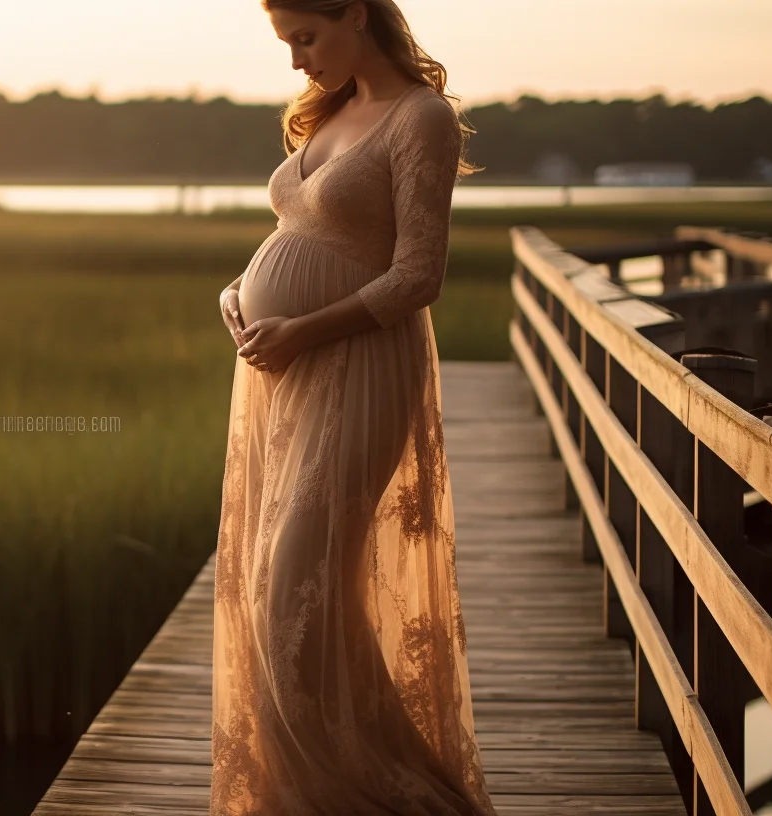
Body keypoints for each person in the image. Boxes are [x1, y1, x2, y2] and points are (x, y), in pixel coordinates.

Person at [210, 1, 496, 813]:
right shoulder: (327, 114)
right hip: (287, 374)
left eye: (307, 37)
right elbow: (305, 234)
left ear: (355, 13)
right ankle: (321, 786)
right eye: (287, 43)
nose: (298, 62)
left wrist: (302, 326)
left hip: (362, 369)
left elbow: (417, 276)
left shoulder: (422, 118)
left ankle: (372, 794)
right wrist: (237, 293)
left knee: (292, 591)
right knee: (292, 586)